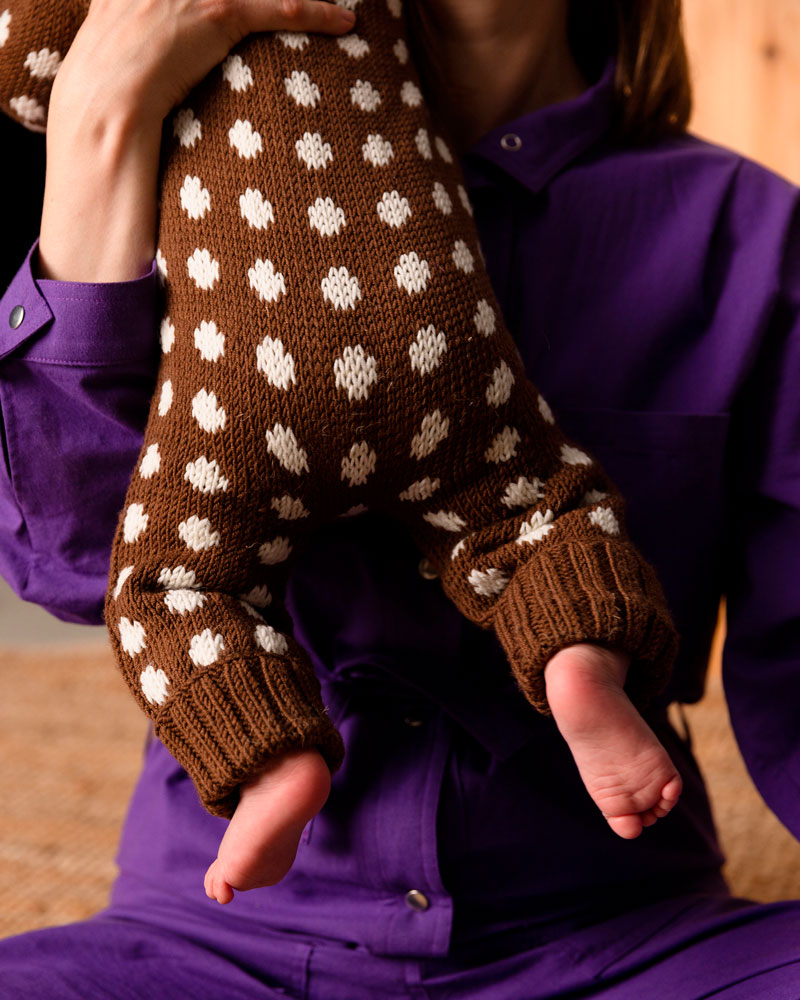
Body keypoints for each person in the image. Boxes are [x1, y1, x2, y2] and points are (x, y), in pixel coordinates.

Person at [1, 0, 799, 996]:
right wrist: (98, 117)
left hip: (618, 936)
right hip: (213, 940)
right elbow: (76, 565)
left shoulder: (749, 234)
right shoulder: (197, 175)